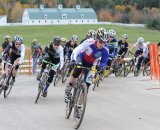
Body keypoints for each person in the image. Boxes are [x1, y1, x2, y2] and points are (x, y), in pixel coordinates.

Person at [64, 28, 109, 103]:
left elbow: (104, 61)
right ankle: (69, 86)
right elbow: (76, 50)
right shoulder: (89, 42)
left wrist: (101, 66)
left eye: (104, 42)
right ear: (97, 39)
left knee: (87, 86)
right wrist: (73, 60)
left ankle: (79, 107)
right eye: (101, 42)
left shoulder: (105, 50)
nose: (102, 44)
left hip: (91, 64)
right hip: (81, 58)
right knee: (77, 70)